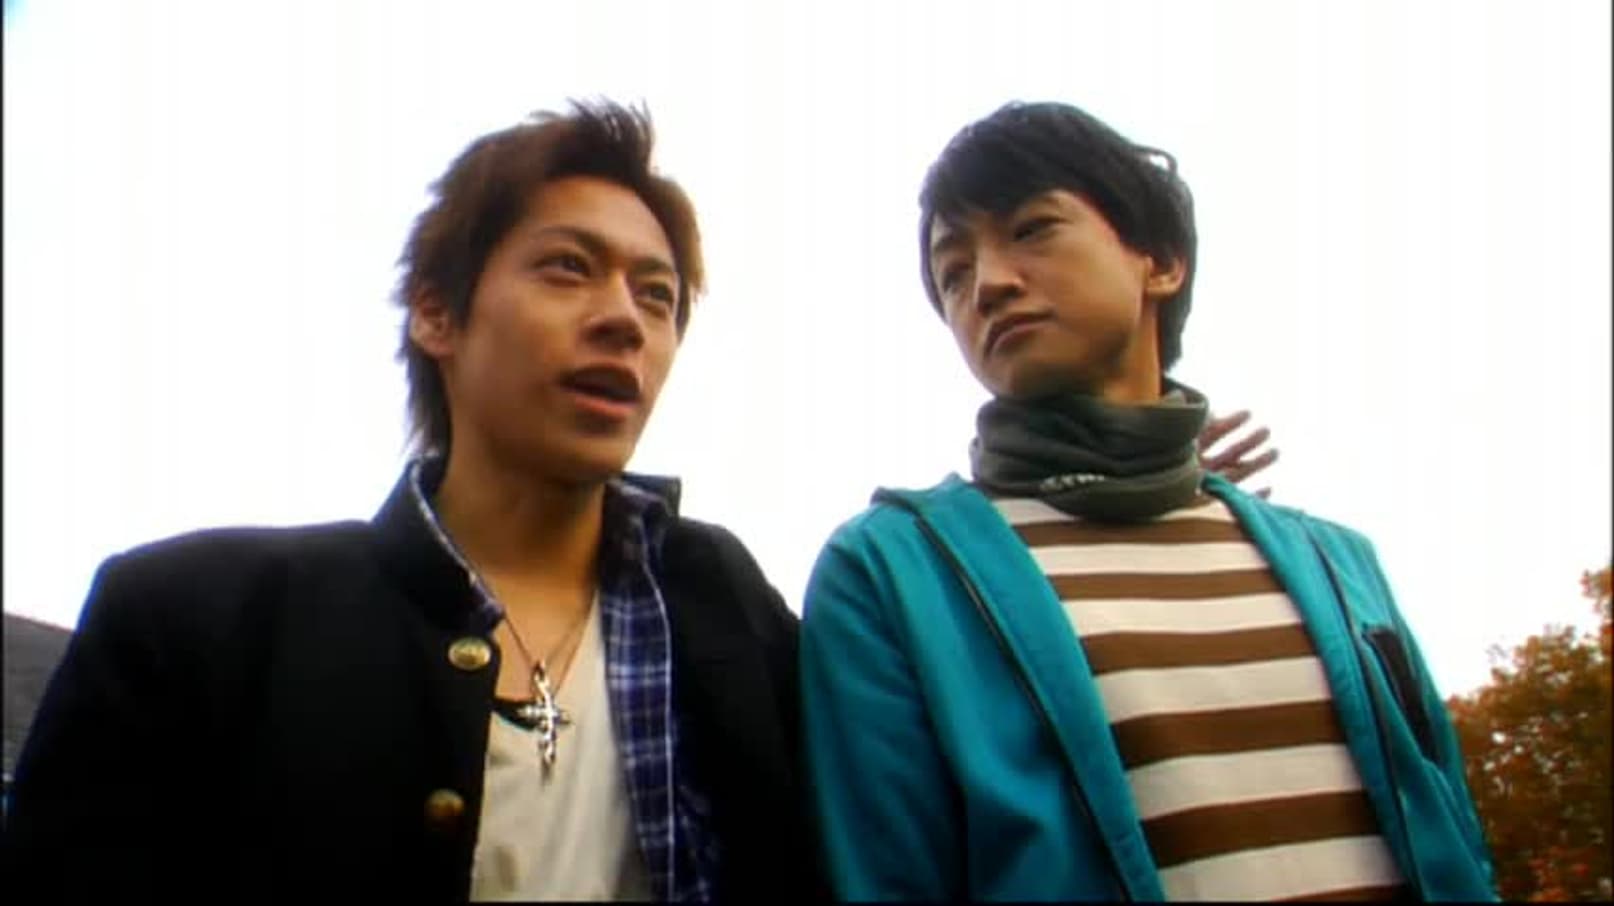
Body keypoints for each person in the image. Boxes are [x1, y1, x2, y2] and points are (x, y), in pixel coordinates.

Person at [3, 100, 819, 902]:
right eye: (569, 267)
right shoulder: (195, 622)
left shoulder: (729, 610)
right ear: (436, 313)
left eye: (657, 296)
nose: (625, 320)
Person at [800, 101, 1495, 901]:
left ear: (1160, 262)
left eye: (1032, 229)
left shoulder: (1339, 561)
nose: (988, 283)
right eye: (954, 273)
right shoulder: (891, 574)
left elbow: (1456, 844)